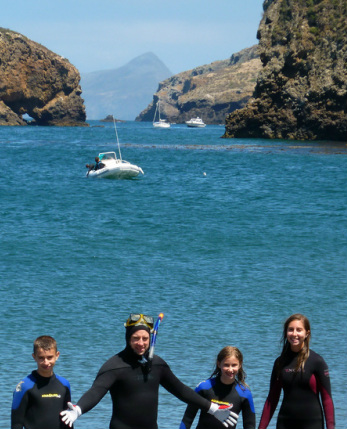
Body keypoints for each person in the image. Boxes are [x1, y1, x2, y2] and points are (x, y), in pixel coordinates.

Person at [60, 313, 238, 429]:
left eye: (145, 338)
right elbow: (96, 391)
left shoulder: (157, 365)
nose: (141, 343)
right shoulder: (114, 366)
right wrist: (78, 410)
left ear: (150, 339)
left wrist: (212, 408)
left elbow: (181, 390)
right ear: (128, 338)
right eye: (135, 338)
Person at [258, 313, 335, 429]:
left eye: (299, 330)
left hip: (312, 424)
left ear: (306, 333)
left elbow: (327, 399)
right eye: (290, 330)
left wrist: (331, 427)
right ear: (286, 332)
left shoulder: (317, 361)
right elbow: (272, 399)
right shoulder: (280, 362)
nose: (294, 334)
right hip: (285, 423)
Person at [180, 346, 255, 429]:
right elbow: (187, 419)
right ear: (219, 364)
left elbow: (250, 425)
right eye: (226, 365)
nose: (230, 369)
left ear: (240, 365)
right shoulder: (204, 388)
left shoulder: (244, 393)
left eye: (234, 365)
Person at [11, 335, 72, 429]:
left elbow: (68, 421)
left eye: (49, 357)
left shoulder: (64, 385)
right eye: (41, 358)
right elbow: (16, 423)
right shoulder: (24, 386)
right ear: (34, 357)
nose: (46, 362)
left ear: (57, 355)